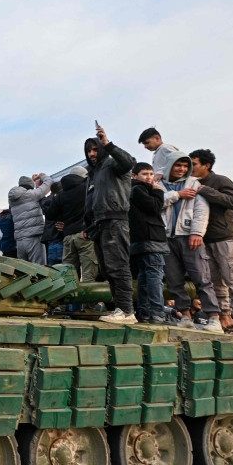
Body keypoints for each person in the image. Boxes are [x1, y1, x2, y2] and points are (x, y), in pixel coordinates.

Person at [189, 149, 233, 334]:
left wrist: (206, 191)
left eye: (195, 164)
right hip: (204, 239)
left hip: (226, 237)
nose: (191, 167)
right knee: (214, 281)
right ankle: (224, 315)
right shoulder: (191, 183)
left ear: (206, 165)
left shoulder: (220, 181)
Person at [158, 150, 219, 330]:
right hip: (167, 237)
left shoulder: (194, 183)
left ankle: (214, 316)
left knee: (202, 277)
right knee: (174, 279)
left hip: (189, 236)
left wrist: (197, 233)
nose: (182, 169)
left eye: (185, 166)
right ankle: (184, 315)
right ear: (170, 165)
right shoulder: (158, 184)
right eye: (178, 165)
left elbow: (201, 211)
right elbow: (155, 203)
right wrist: (177, 195)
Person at [83, 125, 136, 324]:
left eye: (95, 149)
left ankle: (127, 310)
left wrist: (108, 144)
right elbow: (90, 202)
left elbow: (128, 162)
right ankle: (119, 309)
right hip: (100, 224)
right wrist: (88, 225)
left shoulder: (113, 165)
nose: (92, 153)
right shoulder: (93, 173)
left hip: (116, 220)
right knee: (107, 269)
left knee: (118, 267)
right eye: (89, 150)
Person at [129, 164, 168, 324]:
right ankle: (157, 312)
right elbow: (155, 207)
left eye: (151, 174)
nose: (149, 177)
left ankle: (144, 312)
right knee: (154, 275)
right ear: (134, 175)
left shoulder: (134, 190)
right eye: (145, 173)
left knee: (144, 276)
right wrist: (159, 192)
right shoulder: (138, 190)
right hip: (151, 238)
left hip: (141, 239)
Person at [56, 167, 97, 282]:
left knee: (69, 274)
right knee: (89, 272)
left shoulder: (61, 194)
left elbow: (50, 213)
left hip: (68, 235)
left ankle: (72, 300)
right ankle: (90, 300)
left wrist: (64, 222)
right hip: (85, 234)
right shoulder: (87, 189)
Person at [8, 173, 53, 265]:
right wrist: (42, 176)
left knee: (24, 271)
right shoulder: (32, 195)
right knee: (40, 270)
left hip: (19, 240)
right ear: (30, 186)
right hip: (34, 238)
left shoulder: (11, 200)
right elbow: (49, 183)